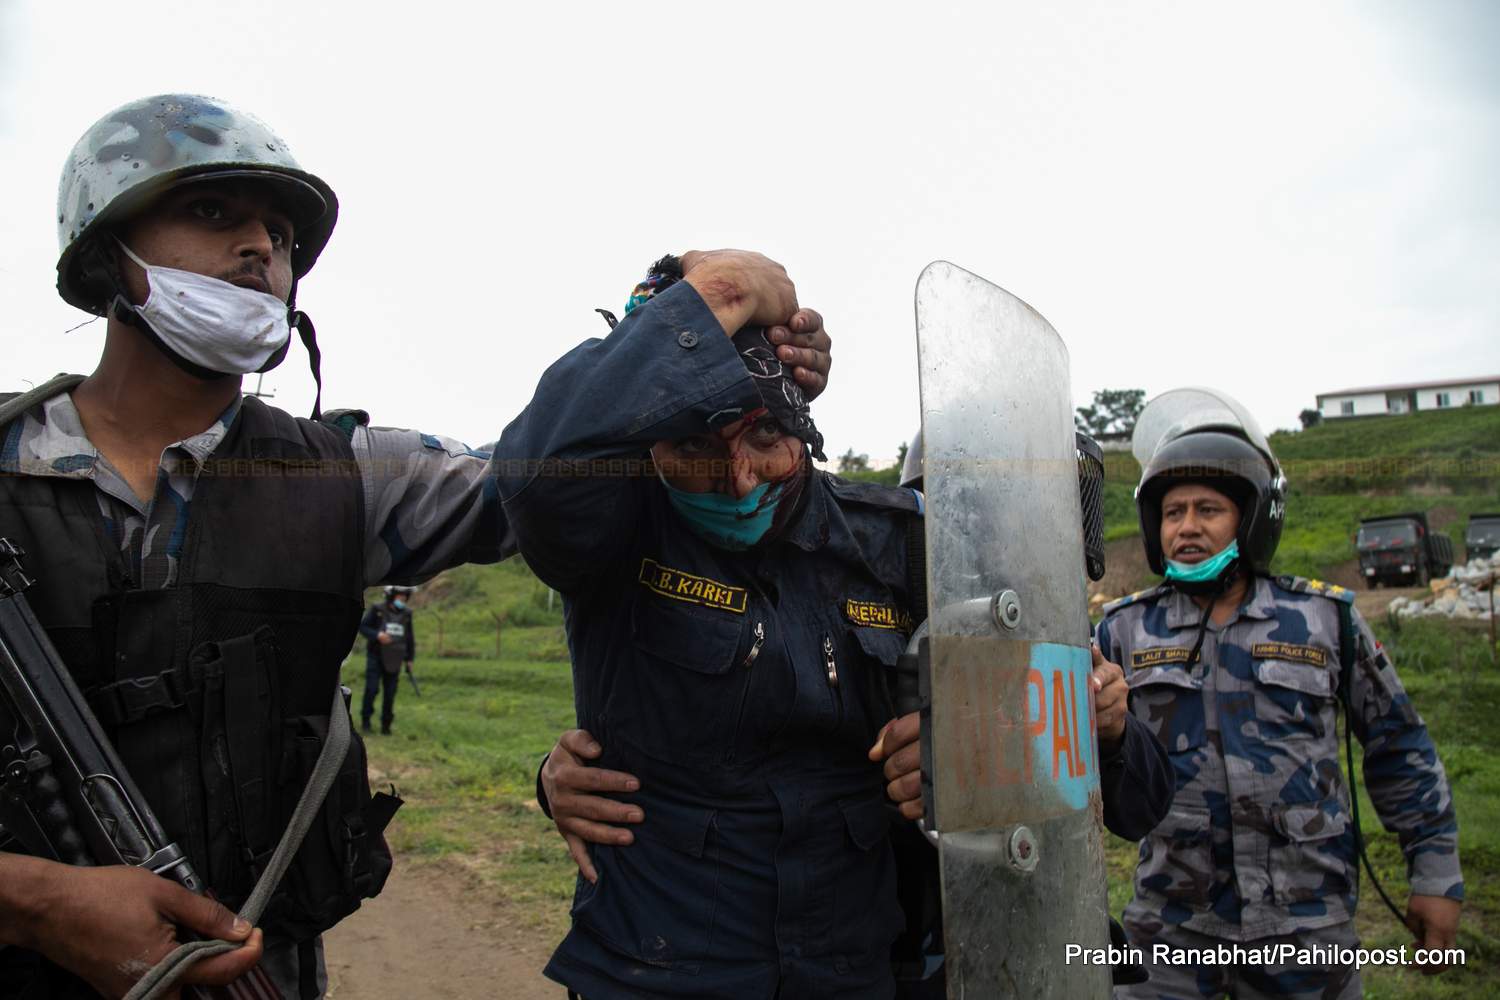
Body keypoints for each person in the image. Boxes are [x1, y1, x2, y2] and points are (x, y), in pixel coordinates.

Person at [0, 93, 834, 999]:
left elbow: (551, 476)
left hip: (258, 977)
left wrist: (694, 341)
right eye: (212, 214)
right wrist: (32, 900)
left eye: (279, 236)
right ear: (102, 252)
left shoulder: (350, 477)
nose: (260, 251)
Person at [539, 424, 1177, 996]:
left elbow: (1141, 806)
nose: (1008, 535)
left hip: (1038, 940)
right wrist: (565, 771)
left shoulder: (1065, 647)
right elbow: (786, 738)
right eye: (982, 511)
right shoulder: (901, 600)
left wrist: (1112, 731)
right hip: (904, 950)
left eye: (1036, 516)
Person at [499, 253, 915, 998]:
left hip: (850, 966)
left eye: (765, 439)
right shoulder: (616, 529)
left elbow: (999, 700)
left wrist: (958, 747)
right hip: (656, 966)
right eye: (692, 445)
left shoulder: (890, 543)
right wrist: (714, 289)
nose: (739, 478)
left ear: (806, 428)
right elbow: (541, 461)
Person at [1092, 389, 1463, 999]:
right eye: (1173, 512)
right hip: (1172, 935)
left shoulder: (1325, 619)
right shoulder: (1121, 632)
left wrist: (1436, 875)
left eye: (1208, 510)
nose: (1187, 527)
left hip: (1308, 933)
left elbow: (1399, 746)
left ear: (1254, 516)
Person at [360, 585, 417, 734]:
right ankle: (366, 721)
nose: (402, 599)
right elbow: (363, 627)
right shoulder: (377, 609)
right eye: (400, 596)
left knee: (390, 693)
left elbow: (409, 637)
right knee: (372, 689)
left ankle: (386, 725)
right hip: (375, 656)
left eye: (405, 596)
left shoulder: (407, 614)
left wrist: (410, 658)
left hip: (395, 658)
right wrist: (378, 635)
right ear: (391, 595)